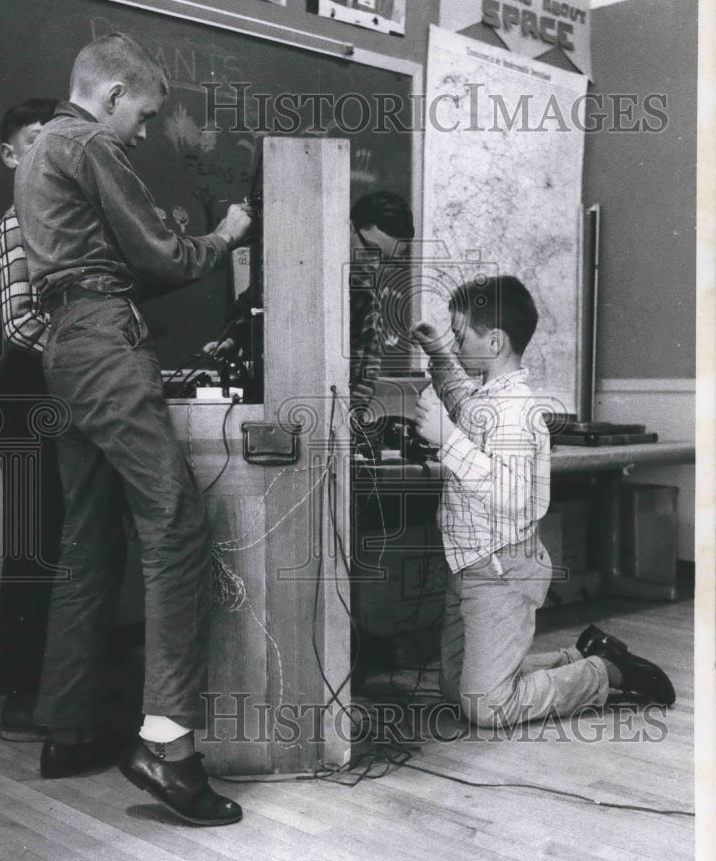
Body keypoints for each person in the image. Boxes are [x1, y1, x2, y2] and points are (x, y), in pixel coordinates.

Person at [14, 32, 253, 826]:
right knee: (176, 523)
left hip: (64, 348)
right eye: (143, 115)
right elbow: (163, 256)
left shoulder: (41, 149)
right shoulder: (89, 143)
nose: (144, 133)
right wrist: (226, 233)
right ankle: (168, 746)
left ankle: (69, 728)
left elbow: (102, 265)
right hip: (103, 345)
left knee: (89, 537)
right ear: (112, 95)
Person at [411, 274, 675, 729]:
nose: (455, 345)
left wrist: (447, 439)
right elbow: (459, 397)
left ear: (494, 342)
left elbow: (511, 496)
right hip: (469, 565)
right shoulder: (489, 396)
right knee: (456, 689)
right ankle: (577, 656)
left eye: (460, 337)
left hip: (501, 571)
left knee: (488, 707)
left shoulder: (517, 412)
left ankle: (603, 672)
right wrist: (437, 352)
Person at [203, 190, 415, 416]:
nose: (375, 266)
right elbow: (249, 308)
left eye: (388, 261)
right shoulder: (298, 268)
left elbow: (364, 380)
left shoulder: (366, 301)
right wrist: (232, 340)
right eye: (372, 251)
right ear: (349, 229)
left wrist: (347, 424)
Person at [0, 98, 63, 741]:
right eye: (36, 140)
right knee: (33, 541)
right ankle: (21, 693)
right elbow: (20, 323)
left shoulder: (67, 217)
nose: (50, 152)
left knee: (69, 538)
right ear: (11, 156)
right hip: (30, 393)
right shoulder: (18, 221)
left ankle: (61, 686)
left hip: (65, 387)